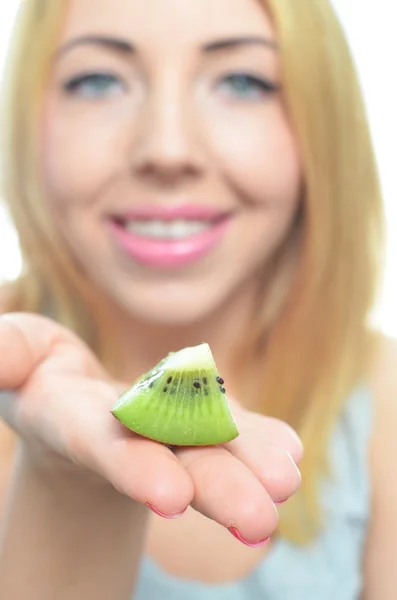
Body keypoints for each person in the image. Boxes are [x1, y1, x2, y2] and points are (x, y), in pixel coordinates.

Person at [0, 0, 396, 598]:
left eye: (242, 80)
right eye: (99, 79)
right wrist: (65, 486)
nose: (167, 149)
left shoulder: (383, 405)